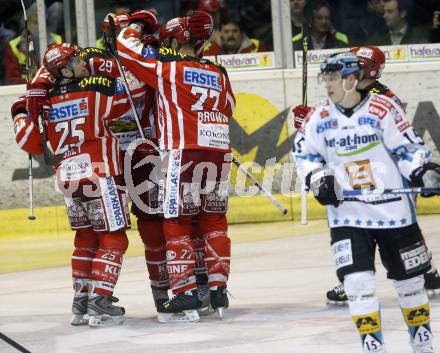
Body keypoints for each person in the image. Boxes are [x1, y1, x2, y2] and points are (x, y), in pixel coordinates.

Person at [294, 51, 439, 353]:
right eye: (326, 78)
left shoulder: (384, 109)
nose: (327, 84)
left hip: (395, 213)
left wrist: (423, 171)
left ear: (351, 79)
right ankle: (373, 349)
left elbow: (407, 149)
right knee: (357, 285)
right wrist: (319, 177)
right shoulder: (319, 117)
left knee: (410, 285)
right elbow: (305, 155)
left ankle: (423, 347)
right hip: (347, 215)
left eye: (333, 78)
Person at [117, 11, 235, 323]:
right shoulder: (219, 71)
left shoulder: (166, 68)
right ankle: (218, 286)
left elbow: (125, 47)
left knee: (176, 222)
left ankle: (183, 293)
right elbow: (230, 108)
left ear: (175, 40)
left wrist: (137, 25)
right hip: (219, 152)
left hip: (183, 153)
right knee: (214, 221)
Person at [25, 43, 133, 327]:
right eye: (76, 60)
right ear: (64, 69)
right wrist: (106, 67)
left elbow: (30, 138)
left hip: (68, 178)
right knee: (113, 237)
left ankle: (81, 301)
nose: (84, 62)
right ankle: (100, 300)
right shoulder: (95, 89)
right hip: (100, 173)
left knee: (85, 239)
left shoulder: (44, 102)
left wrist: (30, 94)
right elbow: (127, 99)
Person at [4, 4, 62, 85]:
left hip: (52, 86)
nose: (35, 27)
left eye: (39, 22)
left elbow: (64, 72)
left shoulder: (57, 41)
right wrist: (34, 83)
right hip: (24, 89)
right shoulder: (15, 46)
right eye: (33, 22)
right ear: (26, 24)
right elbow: (11, 79)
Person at [203, 14, 268, 55]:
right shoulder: (209, 49)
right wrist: (218, 46)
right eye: (226, 31)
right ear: (220, 33)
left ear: (242, 33)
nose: (230, 35)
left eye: (235, 31)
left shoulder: (257, 47)